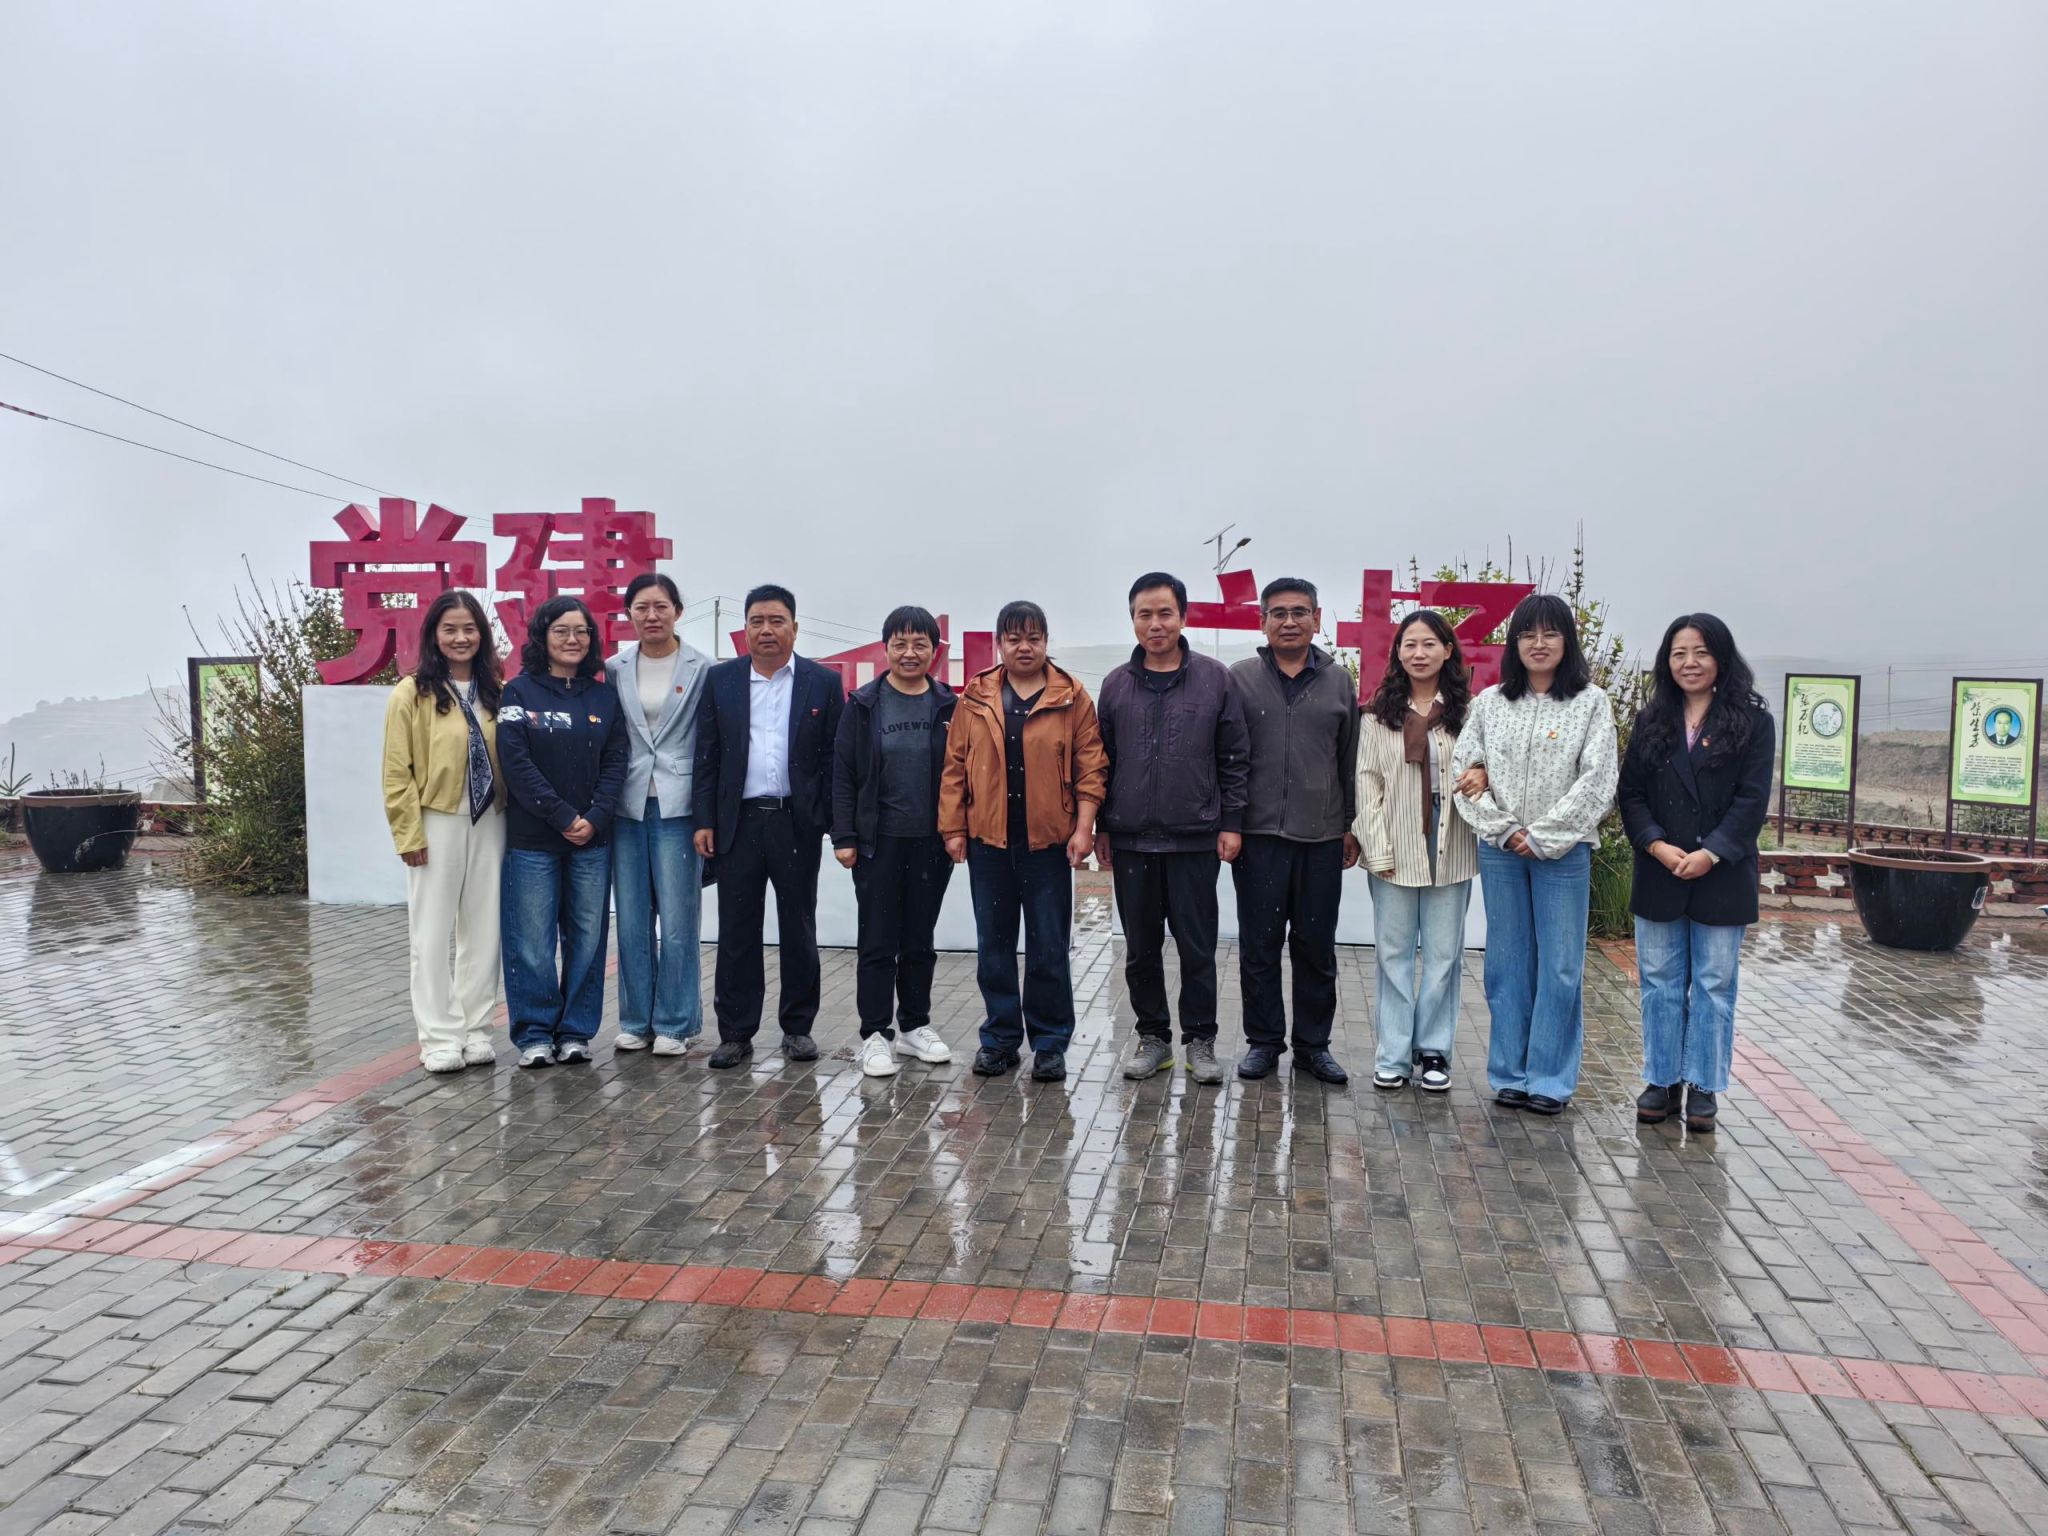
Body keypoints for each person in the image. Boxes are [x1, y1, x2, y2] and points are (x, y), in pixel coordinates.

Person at [1452, 593, 1617, 1115]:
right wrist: (1503, 830)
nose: (1538, 644)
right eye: (1527, 634)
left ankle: (1549, 1078)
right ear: (1514, 643)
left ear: (1567, 641)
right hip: (1502, 851)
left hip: (1562, 854)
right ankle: (1509, 1073)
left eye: (1549, 633)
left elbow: (1598, 779)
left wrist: (1545, 835)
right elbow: (1463, 773)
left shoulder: (1591, 702)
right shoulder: (1490, 703)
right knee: (1507, 963)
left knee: (1560, 966)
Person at [1618, 614, 1773, 1134]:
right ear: (1667, 661)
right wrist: (1657, 845)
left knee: (1713, 983)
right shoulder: (1652, 721)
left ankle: (1703, 1084)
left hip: (1722, 873)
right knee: (1659, 982)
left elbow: (1752, 800)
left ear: (1721, 658)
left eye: (1701, 652)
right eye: (1679, 653)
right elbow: (1631, 794)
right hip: (1659, 869)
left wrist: (1711, 853)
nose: (1690, 662)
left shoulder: (1752, 722)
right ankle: (1661, 1080)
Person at [940, 600, 1107, 1081]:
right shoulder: (976, 696)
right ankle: (999, 1040)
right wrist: (954, 828)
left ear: (1046, 641)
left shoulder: (1071, 696)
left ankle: (1050, 1043)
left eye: (1033, 638)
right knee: (993, 946)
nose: (1024, 647)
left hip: (1048, 845)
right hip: (989, 844)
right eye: (1014, 639)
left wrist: (1084, 828)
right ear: (1000, 644)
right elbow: (954, 767)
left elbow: (1091, 767)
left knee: (1048, 946)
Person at [1097, 572, 1251, 1085]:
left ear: (1182, 617)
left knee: (1196, 946)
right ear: (1133, 620)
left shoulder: (1215, 679)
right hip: (1131, 839)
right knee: (1139, 948)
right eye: (1145, 614)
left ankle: (1200, 1040)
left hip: (1195, 837)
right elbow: (1102, 762)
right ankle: (1153, 1038)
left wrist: (1231, 823)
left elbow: (1234, 758)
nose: (1155, 623)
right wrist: (1102, 827)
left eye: (1165, 613)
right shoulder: (1116, 684)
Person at [692, 585, 845, 1068]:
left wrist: (830, 821)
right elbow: (707, 755)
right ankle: (736, 1033)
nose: (766, 630)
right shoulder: (721, 680)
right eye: (756, 621)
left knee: (798, 925)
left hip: (796, 822)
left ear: (794, 628)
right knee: (737, 928)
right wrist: (704, 820)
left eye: (776, 621)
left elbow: (834, 759)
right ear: (745, 629)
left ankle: (797, 1028)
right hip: (737, 822)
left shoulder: (822, 682)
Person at [1227, 578, 1359, 1085]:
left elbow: (1349, 760)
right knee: (1259, 947)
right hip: (1258, 837)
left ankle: (1313, 1046)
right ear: (1262, 621)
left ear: (1317, 618)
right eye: (1278, 613)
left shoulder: (1338, 681)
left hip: (1321, 838)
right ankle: (1263, 1042)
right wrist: (1230, 822)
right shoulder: (1240, 679)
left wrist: (1349, 826)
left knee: (1315, 948)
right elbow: (1227, 758)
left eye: (1299, 612)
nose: (1289, 622)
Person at [497, 595, 630, 1068]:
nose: (572, 639)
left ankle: (575, 1031)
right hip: (533, 841)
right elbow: (516, 762)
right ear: (542, 636)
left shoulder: (604, 697)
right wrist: (562, 816)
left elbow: (617, 762)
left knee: (587, 939)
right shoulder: (518, 693)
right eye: (561, 630)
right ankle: (534, 1033)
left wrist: (595, 817)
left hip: (592, 841)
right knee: (532, 941)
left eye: (581, 631)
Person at [1356, 610, 1484, 1093]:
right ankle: (1392, 1054)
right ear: (1397, 653)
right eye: (1409, 644)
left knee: (1444, 955)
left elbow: (1485, 766)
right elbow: (1367, 784)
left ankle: (1433, 1050)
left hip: (1452, 842)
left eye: (1429, 643)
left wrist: (1483, 774)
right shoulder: (1378, 715)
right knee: (1393, 954)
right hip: (1395, 842)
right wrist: (1376, 848)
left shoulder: (1468, 713)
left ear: (1447, 651)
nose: (1419, 653)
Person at [381, 590, 506, 1074]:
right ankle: (438, 1036)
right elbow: (396, 771)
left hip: (491, 819)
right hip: (437, 818)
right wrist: (408, 834)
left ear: (482, 635)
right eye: (450, 629)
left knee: (483, 932)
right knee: (431, 934)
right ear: (434, 635)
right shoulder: (412, 692)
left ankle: (476, 1030)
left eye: (469, 628)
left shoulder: (496, 690)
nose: (460, 637)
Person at [832, 606, 959, 1078]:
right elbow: (843, 774)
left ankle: (914, 1026)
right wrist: (844, 836)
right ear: (885, 648)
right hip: (877, 843)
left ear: (934, 651)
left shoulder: (949, 706)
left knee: (920, 939)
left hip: (931, 842)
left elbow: (962, 772)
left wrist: (957, 830)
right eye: (900, 644)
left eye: (919, 644)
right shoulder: (864, 705)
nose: (909, 653)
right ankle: (874, 1033)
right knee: (878, 940)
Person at [604, 573, 712, 1059]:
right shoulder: (614, 668)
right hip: (626, 805)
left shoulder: (703, 668)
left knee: (678, 920)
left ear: (677, 612)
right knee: (631, 919)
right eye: (641, 607)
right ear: (628, 613)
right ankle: (635, 1020)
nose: (652, 616)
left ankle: (675, 1022)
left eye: (661, 606)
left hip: (678, 804)